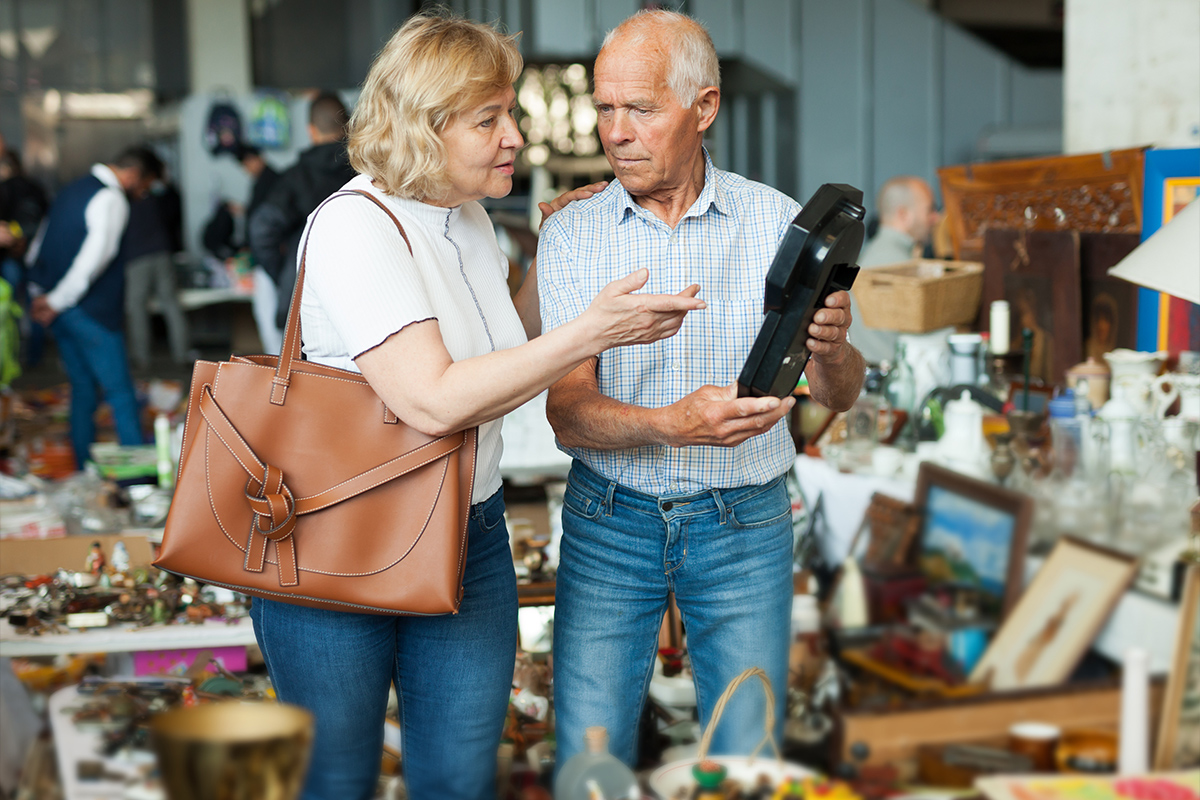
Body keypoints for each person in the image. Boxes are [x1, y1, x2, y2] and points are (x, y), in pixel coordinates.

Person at [246, 14, 704, 800]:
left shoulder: (468, 218)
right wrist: (593, 330)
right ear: (425, 127)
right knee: (337, 780)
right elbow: (433, 398)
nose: (516, 137)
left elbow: (500, 351)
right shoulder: (355, 226)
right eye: (489, 118)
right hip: (339, 540)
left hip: (469, 529)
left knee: (459, 778)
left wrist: (550, 258)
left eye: (511, 114)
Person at [536, 9, 865, 770]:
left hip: (746, 522)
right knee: (592, 761)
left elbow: (840, 394)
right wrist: (672, 424)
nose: (615, 132)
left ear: (704, 108)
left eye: (640, 109)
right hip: (609, 520)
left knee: (746, 756)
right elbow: (568, 416)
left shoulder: (777, 222)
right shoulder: (573, 232)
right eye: (605, 108)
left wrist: (836, 346)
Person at [26, 147, 158, 468]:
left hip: (58, 307)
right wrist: (57, 301)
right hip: (88, 312)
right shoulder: (111, 198)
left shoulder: (73, 188)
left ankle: (83, 465)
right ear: (134, 176)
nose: (143, 193)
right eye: (146, 186)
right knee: (121, 394)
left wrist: (40, 295)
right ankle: (135, 479)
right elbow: (93, 260)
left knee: (83, 388)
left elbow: (39, 246)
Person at [248, 93, 356, 353]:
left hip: (305, 302)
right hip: (362, 299)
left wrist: (286, 273)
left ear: (310, 130)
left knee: (304, 383)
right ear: (349, 128)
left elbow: (262, 228)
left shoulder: (294, 179)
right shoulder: (368, 172)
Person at [850, 175, 941, 364]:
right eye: (929, 209)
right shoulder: (899, 265)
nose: (936, 217)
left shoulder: (873, 253)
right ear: (903, 214)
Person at [122, 160, 190, 371]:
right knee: (171, 305)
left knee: (136, 307)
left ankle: (141, 358)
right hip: (163, 254)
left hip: (137, 259)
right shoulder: (155, 199)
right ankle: (183, 354)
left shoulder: (123, 202)